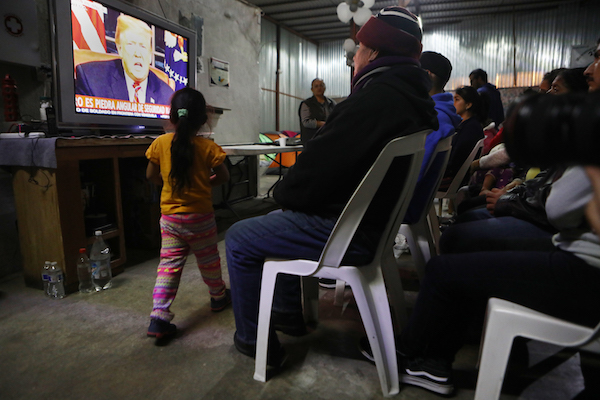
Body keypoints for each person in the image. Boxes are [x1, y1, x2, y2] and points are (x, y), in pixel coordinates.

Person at [225, 6, 437, 367]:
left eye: (357, 50)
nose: (353, 58)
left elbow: (313, 174)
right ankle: (288, 317)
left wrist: (282, 195)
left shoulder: (373, 99)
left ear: (374, 53)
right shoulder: (412, 98)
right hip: (375, 226)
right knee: (286, 213)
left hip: (350, 232)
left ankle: (254, 341)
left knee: (240, 237)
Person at [389, 91, 600, 397]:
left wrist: (584, 164)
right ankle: (443, 351)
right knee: (463, 242)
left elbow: (558, 210)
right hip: (574, 253)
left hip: (585, 273)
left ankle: (413, 355)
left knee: (443, 269)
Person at [145, 88, 231, 339]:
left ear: (172, 116)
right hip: (200, 219)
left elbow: (151, 176)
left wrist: (172, 184)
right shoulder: (208, 147)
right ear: (203, 118)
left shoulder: (159, 144)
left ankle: (159, 316)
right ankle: (217, 296)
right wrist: (204, 183)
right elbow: (224, 177)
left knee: (169, 266)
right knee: (208, 259)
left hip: (170, 220)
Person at [75, 15, 175, 105]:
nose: (138, 54)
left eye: (143, 46)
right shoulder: (91, 79)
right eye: (131, 45)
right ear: (120, 49)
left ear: (149, 53)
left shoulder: (166, 94)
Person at [438, 86, 485, 192]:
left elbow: (455, 161)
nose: (453, 103)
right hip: (453, 176)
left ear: (468, 105)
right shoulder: (465, 125)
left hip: (453, 180)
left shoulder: (470, 129)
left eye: (457, 99)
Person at [298, 78, 337, 145]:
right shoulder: (306, 104)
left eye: (321, 85)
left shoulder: (332, 103)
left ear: (324, 87)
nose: (319, 88)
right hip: (312, 141)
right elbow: (306, 122)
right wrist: (324, 124)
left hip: (329, 140)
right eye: (316, 86)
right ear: (312, 89)